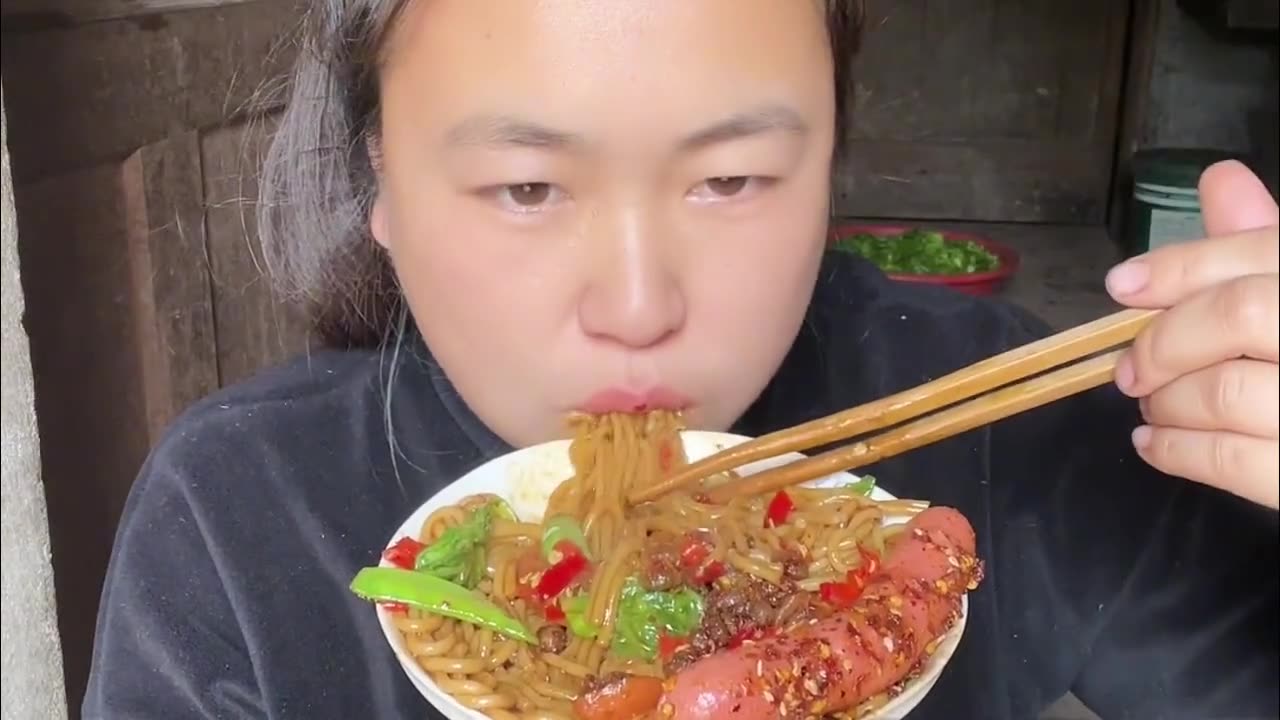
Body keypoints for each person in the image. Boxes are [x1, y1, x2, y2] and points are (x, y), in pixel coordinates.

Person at [82, 2, 1277, 719]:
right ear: (375, 180)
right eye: (527, 186)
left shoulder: (1006, 416)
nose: (640, 309)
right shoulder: (237, 517)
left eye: (731, 179)